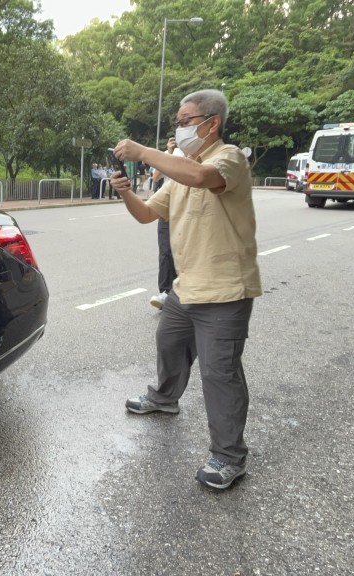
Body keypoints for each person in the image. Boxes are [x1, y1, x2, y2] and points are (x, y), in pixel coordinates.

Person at [110, 89, 262, 490]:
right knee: (168, 342)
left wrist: (143, 152)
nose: (180, 128)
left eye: (185, 120)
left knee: (219, 373)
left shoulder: (228, 159)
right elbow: (146, 214)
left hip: (225, 290)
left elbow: (200, 178)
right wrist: (126, 191)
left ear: (212, 123)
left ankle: (230, 457)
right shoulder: (180, 172)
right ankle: (164, 398)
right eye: (177, 121)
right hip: (186, 287)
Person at [149, 137, 179, 310]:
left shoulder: (195, 154)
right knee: (166, 250)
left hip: (188, 208)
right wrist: (168, 153)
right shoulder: (166, 155)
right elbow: (155, 176)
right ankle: (166, 292)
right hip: (168, 206)